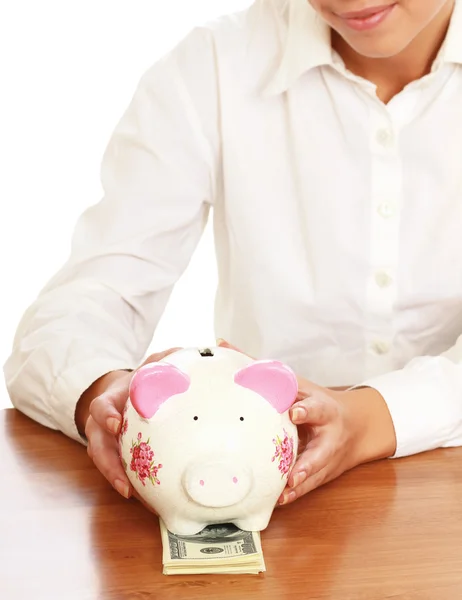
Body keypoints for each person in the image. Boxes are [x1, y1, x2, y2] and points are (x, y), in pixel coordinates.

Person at [4, 0, 462, 508]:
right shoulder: (213, 66)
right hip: (265, 496)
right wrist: (103, 393)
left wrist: (371, 417)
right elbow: (83, 303)